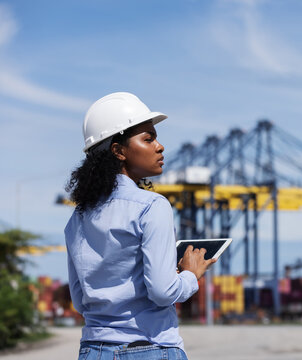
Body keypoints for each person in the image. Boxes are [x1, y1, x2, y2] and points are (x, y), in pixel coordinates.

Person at [64, 92, 215, 360]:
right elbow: (162, 292)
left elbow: (79, 300)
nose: (160, 146)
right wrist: (190, 275)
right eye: (148, 138)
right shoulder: (152, 206)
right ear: (118, 151)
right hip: (148, 347)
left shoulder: (78, 217)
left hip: (92, 351)